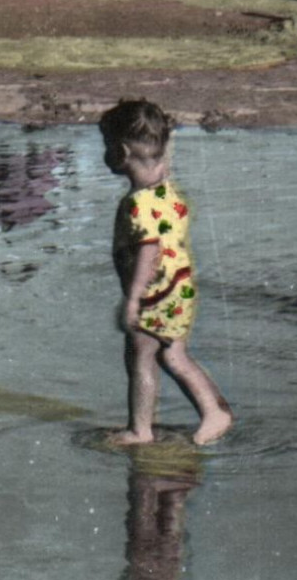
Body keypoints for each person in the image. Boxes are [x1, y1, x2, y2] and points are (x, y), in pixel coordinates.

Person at [98, 99, 233, 446]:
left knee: (140, 355)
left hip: (154, 293)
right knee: (172, 354)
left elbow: (149, 249)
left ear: (122, 151)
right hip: (178, 288)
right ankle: (213, 411)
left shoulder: (140, 202)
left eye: (106, 145)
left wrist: (133, 298)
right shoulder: (164, 187)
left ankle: (141, 429)